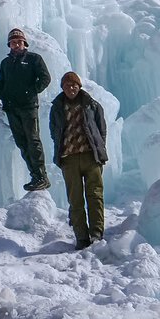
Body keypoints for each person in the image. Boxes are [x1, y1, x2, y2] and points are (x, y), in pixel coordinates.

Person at [49, 71, 108, 250]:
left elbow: (101, 129)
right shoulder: (57, 107)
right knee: (75, 200)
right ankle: (81, 237)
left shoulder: (92, 105)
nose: (71, 88)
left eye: (74, 85)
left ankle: (96, 233)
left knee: (95, 196)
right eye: (67, 86)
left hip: (91, 157)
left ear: (79, 86)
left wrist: (99, 150)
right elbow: (54, 131)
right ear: (63, 88)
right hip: (69, 159)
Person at [0, 27, 51, 191]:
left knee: (33, 140)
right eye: (13, 42)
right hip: (12, 108)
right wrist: (2, 95)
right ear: (9, 45)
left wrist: (32, 91)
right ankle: (34, 175)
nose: (16, 44)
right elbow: (0, 81)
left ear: (24, 43)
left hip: (28, 107)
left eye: (19, 41)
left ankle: (42, 176)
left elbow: (45, 78)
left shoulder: (34, 59)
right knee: (22, 142)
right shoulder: (6, 62)